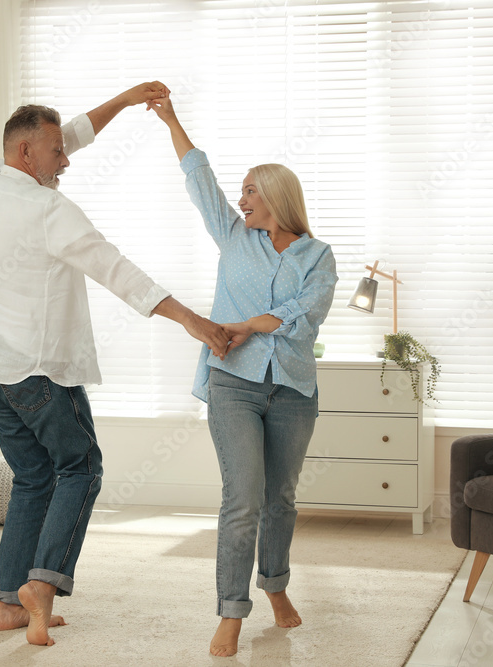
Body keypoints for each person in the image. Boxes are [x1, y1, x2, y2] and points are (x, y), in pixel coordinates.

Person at [0, 82, 230, 647]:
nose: (66, 161)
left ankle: (9, 605)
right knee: (81, 468)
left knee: (33, 477)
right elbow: (117, 270)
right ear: (27, 156)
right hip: (37, 371)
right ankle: (43, 584)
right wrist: (192, 321)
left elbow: (72, 132)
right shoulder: (49, 209)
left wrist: (128, 99)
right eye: (56, 153)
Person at [148, 94, 338, 657]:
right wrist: (171, 120)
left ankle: (275, 586)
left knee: (281, 496)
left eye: (250, 190)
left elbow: (309, 317)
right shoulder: (234, 236)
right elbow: (198, 178)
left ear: (276, 196)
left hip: (294, 389)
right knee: (243, 497)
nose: (240, 199)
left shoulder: (319, 255)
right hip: (232, 384)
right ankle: (232, 611)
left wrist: (253, 324)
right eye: (241, 192)